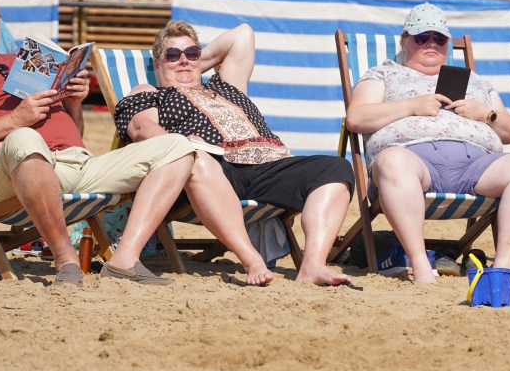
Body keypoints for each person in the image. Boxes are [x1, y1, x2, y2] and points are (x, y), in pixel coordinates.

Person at [0, 0, 196, 287]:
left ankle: (124, 260)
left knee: (178, 146)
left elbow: (73, 134)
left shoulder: (27, 65)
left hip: (76, 165)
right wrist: (15, 120)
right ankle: (66, 260)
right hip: (8, 176)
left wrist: (74, 103)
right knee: (24, 139)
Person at [114, 20, 355, 287]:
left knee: (335, 168)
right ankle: (251, 259)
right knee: (197, 160)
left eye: (192, 54)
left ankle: (313, 265)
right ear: (157, 64)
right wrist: (180, 142)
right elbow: (141, 128)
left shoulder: (226, 85)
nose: (183, 60)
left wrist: (190, 64)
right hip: (212, 168)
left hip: (268, 165)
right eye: (172, 55)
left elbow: (243, 34)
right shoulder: (151, 93)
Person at [344, 3, 510, 285]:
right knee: (393, 162)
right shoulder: (383, 74)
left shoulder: (475, 82)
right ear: (405, 41)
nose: (431, 44)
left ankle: (501, 269)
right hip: (413, 162)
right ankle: (421, 266)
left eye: (439, 39)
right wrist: (412, 106)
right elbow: (356, 117)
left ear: (448, 44)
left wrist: (486, 114)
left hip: (477, 167)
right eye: (421, 37)